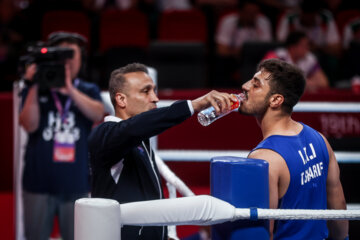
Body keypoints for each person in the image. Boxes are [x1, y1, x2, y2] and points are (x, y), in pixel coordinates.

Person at [88, 62, 237, 240]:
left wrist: (164, 234)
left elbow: (145, 201)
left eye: (154, 90)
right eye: (146, 91)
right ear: (121, 100)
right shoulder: (106, 134)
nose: (155, 98)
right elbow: (134, 128)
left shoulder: (139, 140)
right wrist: (193, 105)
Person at [238, 59, 349, 239]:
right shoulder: (319, 139)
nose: (244, 86)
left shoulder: (264, 159)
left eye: (256, 85)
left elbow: (262, 233)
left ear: (275, 100)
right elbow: (339, 208)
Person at [19, 31, 105, 240]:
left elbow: (98, 114)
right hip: (38, 183)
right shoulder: (36, 90)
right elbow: (29, 125)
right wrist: (33, 85)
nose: (66, 61)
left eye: (71, 55)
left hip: (75, 183)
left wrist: (69, 90)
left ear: (80, 59)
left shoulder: (87, 89)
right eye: (61, 55)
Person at [213, 0, 272, 87]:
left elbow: (268, 48)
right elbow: (221, 50)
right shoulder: (228, 21)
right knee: (221, 64)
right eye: (248, 12)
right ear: (240, 12)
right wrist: (239, 52)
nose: (251, 16)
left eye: (254, 13)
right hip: (233, 59)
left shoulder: (263, 22)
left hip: (257, 59)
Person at [263, 31, 329, 92]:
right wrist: (302, 82)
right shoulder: (276, 56)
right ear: (293, 47)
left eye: (307, 45)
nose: (307, 48)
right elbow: (266, 77)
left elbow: (323, 82)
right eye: (303, 46)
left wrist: (310, 83)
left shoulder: (310, 58)